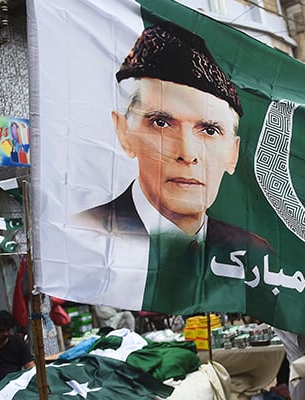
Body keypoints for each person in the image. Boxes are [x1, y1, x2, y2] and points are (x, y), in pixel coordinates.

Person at [70, 22, 272, 311]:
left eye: (210, 130)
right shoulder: (87, 236)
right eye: (161, 123)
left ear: (233, 153)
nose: (187, 154)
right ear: (124, 133)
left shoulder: (254, 253)